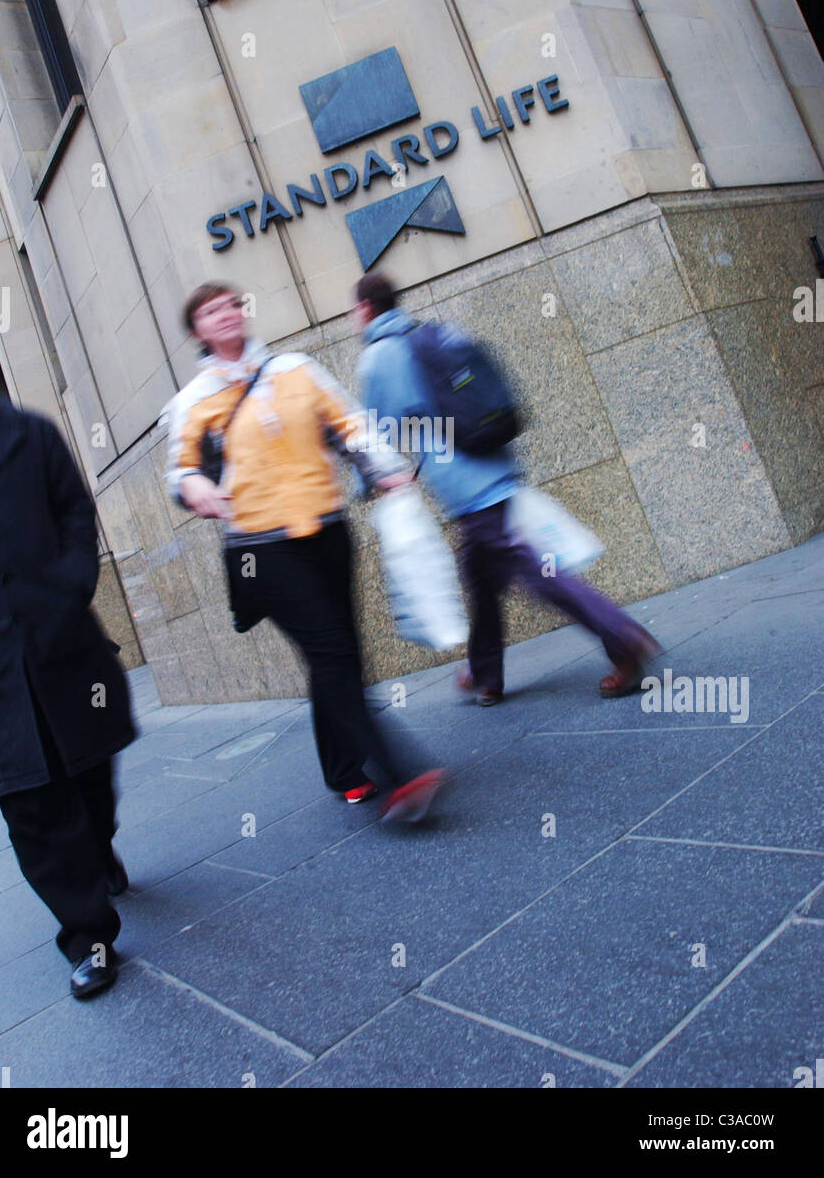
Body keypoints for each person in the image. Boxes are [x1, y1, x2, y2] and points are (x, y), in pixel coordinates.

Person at [162, 282, 443, 822]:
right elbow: (182, 469)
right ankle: (402, 777)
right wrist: (194, 487)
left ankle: (343, 772)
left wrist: (384, 469)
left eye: (230, 305)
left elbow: (349, 425)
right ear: (197, 330)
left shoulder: (295, 368)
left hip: (327, 532)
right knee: (333, 653)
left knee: (337, 656)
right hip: (260, 551)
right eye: (208, 311)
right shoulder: (195, 400)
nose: (224, 315)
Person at [353, 272, 659, 705]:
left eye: (355, 311)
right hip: (491, 461)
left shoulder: (379, 357)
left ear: (364, 309)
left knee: (537, 571)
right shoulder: (432, 333)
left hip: (466, 484)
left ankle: (622, 638)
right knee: (480, 575)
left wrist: (365, 481)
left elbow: (371, 431)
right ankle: (485, 673)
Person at [0, 363, 134, 999]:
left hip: (62, 641)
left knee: (92, 772)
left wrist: (72, 583)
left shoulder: (28, 434)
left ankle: (99, 853)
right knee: (33, 805)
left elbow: (74, 507)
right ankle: (87, 937)